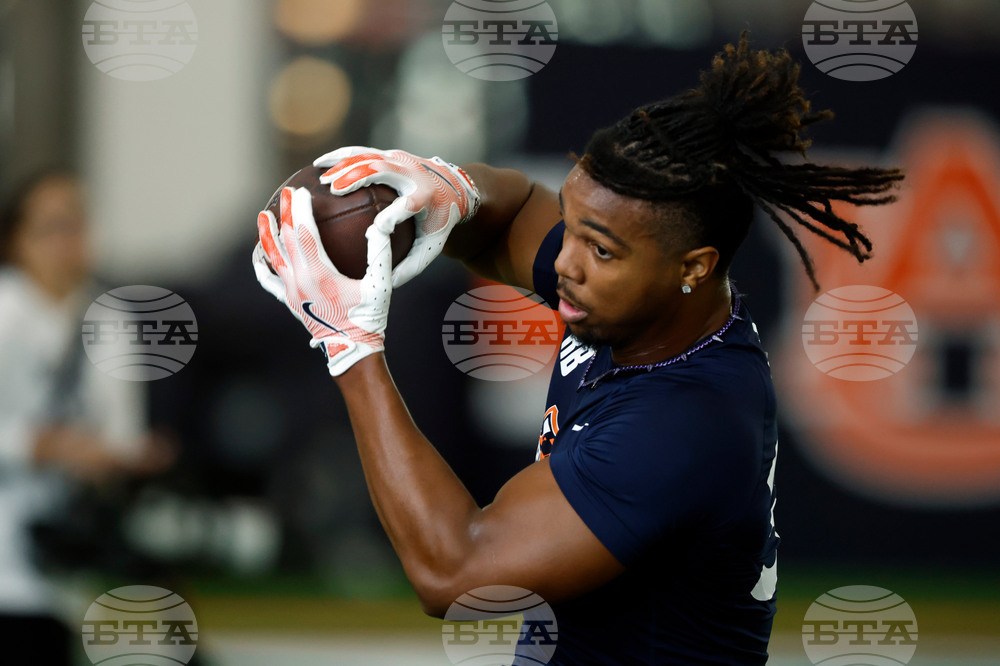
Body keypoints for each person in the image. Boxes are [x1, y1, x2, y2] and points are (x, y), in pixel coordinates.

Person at [254, 35, 903, 664]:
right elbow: (516, 214)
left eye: (599, 249)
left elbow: (455, 573)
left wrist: (349, 348)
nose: (563, 263)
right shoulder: (645, 305)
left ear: (694, 266)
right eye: (574, 222)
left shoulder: (680, 425)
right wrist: (448, 189)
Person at [0, 169, 174, 663]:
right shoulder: (6, 311)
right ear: (17, 238)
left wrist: (129, 457)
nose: (67, 241)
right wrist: (41, 445)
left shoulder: (108, 321)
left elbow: (121, 431)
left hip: (73, 563)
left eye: (76, 224)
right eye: (51, 227)